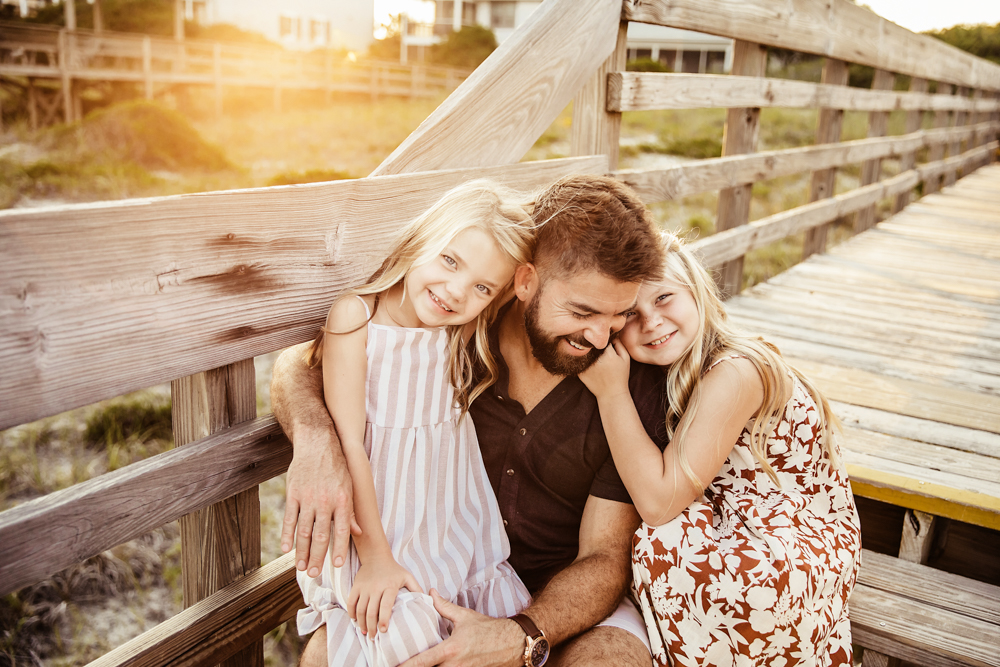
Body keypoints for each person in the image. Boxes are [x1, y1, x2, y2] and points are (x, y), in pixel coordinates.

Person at [270, 174, 666, 667]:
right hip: (432, 572)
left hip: (565, 602)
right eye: (581, 310)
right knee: (330, 655)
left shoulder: (626, 383)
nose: (601, 337)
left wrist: (521, 635)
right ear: (524, 283)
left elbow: (605, 560)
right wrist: (314, 439)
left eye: (618, 315)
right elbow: (302, 361)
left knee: (610, 662)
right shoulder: (464, 334)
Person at [578, 232, 862, 667]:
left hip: (792, 537)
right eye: (631, 314)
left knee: (664, 538)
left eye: (665, 298)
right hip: (745, 517)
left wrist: (611, 393)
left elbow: (657, 502)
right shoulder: (679, 371)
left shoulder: (736, 370)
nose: (651, 321)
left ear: (696, 291)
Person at [295, 180, 535, 666]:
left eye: (481, 288)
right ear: (421, 239)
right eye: (450, 261)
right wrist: (378, 557)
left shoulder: (461, 331)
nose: (455, 292)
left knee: (491, 626)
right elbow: (351, 445)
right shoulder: (356, 317)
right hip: (379, 528)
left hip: (451, 527)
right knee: (404, 637)